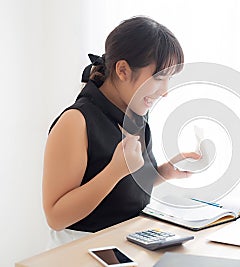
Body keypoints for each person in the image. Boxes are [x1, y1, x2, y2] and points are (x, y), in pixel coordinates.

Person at [42, 16, 199, 248]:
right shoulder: (75, 121)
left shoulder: (136, 114)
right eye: (159, 78)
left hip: (130, 243)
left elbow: (124, 192)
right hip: (79, 252)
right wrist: (114, 171)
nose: (165, 92)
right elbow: (56, 217)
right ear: (123, 70)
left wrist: (164, 172)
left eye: (170, 80)